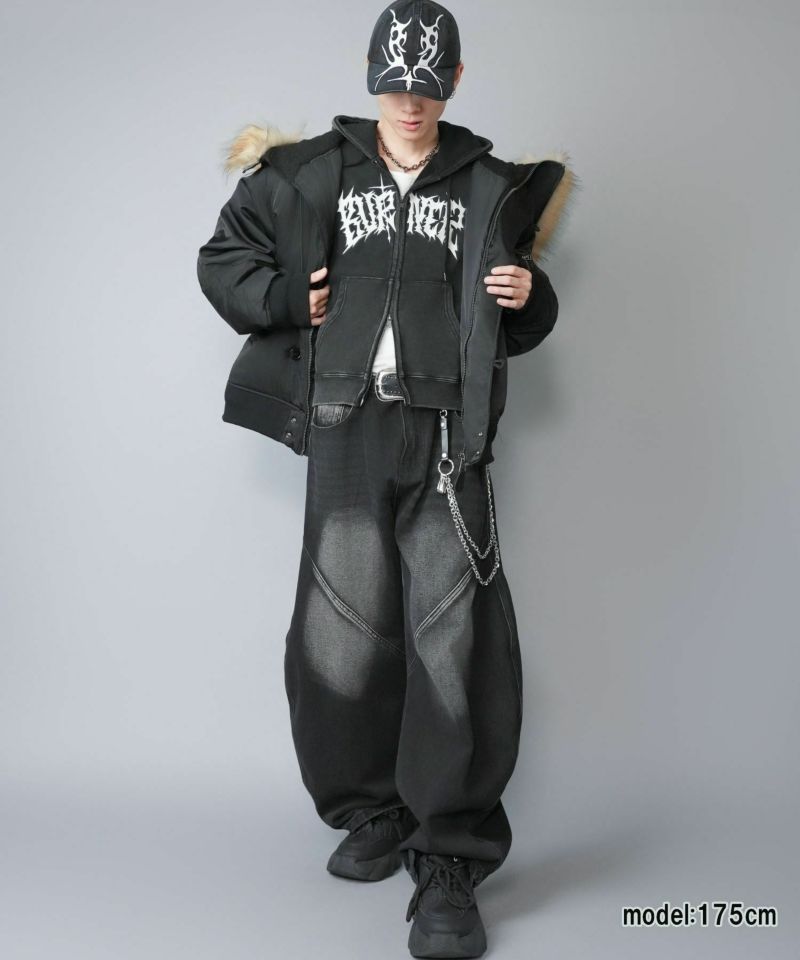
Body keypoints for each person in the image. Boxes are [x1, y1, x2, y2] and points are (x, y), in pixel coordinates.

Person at [197, 2, 576, 955]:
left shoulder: (488, 184)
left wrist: (532, 297)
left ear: (455, 82)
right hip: (343, 422)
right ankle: (370, 809)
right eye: (396, 85)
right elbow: (223, 261)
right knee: (340, 630)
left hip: (448, 435)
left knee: (458, 641)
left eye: (428, 86)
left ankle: (448, 857)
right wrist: (286, 297)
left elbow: (518, 314)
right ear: (374, 79)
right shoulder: (309, 172)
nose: (411, 103)